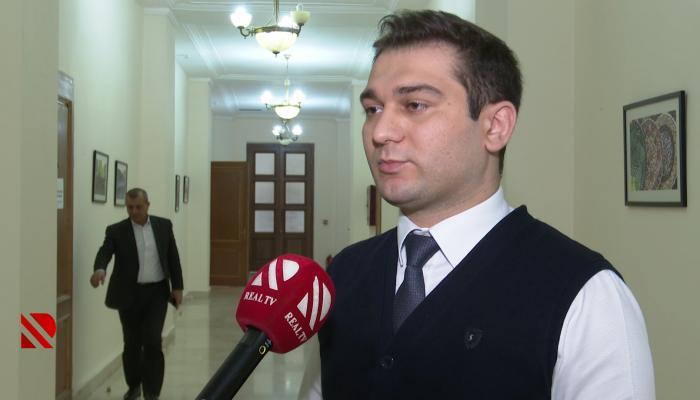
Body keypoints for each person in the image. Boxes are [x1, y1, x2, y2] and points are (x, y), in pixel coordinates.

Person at [305, 10, 655, 399]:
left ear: (495, 126)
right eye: (373, 109)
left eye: (415, 105)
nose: (381, 132)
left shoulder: (586, 296)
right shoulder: (344, 275)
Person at [91, 188, 184, 400]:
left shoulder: (163, 226)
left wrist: (177, 287)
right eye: (130, 207)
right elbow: (105, 251)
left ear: (147, 205)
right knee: (131, 343)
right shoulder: (116, 230)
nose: (134, 211)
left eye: (138, 207)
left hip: (157, 294)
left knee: (152, 340)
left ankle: (152, 392)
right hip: (128, 295)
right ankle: (134, 386)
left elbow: (173, 257)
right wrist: (100, 269)